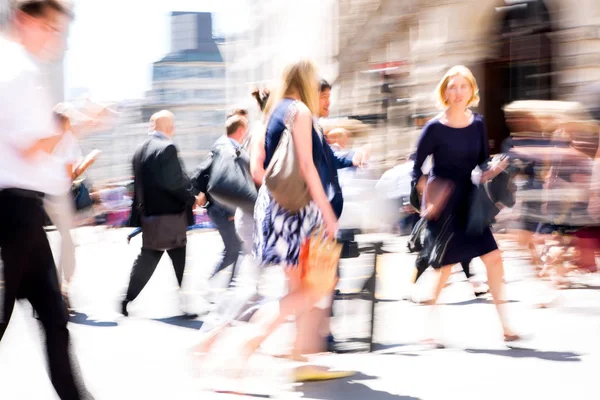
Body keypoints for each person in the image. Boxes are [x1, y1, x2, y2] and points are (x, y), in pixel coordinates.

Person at [0, 1, 95, 399]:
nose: (55, 39)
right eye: (50, 28)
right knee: (43, 318)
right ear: (25, 19)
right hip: (12, 212)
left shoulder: (17, 66)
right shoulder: (17, 69)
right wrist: (79, 124)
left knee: (55, 318)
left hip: (24, 211)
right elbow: (29, 147)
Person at [411, 65, 520, 343]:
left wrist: (493, 170)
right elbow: (417, 169)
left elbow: (481, 163)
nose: (458, 92)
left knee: (494, 259)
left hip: (471, 203)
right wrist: (428, 196)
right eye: (452, 86)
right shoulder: (434, 128)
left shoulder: (479, 123)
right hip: (445, 204)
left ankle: (507, 325)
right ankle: (427, 328)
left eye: (463, 86)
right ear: (444, 91)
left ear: (472, 90)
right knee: (444, 269)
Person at [121, 110, 197, 317]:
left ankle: (126, 299)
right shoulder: (168, 148)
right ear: (168, 127)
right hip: (171, 217)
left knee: (147, 259)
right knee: (179, 259)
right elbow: (174, 182)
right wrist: (192, 198)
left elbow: (137, 187)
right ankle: (185, 305)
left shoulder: (139, 151)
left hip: (150, 218)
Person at [194, 114, 248, 288]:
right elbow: (229, 182)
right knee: (233, 249)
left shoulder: (219, 147)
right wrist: (232, 212)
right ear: (241, 131)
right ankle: (212, 284)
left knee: (235, 248)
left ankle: (228, 286)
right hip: (222, 209)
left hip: (217, 207)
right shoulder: (229, 150)